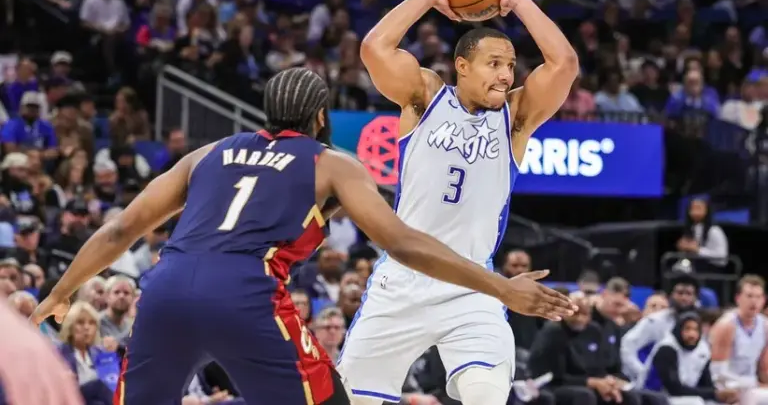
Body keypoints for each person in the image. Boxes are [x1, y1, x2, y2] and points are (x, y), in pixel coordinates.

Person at [32, 68, 575, 405]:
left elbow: (121, 227)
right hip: (244, 295)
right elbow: (404, 244)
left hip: (166, 289)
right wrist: (502, 288)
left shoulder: (207, 155)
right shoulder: (331, 164)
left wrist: (61, 290)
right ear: (320, 116)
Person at [337, 0, 579, 405]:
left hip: (474, 287)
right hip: (401, 282)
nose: (506, 75)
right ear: (462, 66)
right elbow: (374, 48)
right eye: (493, 63)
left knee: (487, 396)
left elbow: (563, 63)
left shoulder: (515, 118)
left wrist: (519, 1)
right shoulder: (424, 95)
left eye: (510, 65)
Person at [620, 273, 700, 386]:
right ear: (670, 295)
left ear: (695, 298)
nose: (684, 298)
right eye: (680, 293)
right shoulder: (655, 321)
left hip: (689, 385)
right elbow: (627, 346)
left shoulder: (699, 324)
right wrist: (643, 373)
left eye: (688, 294)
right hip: (657, 386)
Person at [0, 297, 84, 405]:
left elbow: (71, 382)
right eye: (21, 316)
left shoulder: (60, 349)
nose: (28, 321)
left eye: (32, 315)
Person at [645, 312, 739, 405]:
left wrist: (721, 396)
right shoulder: (667, 349)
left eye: (695, 330)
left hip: (686, 395)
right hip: (656, 396)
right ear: (679, 329)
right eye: (687, 329)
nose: (692, 334)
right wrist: (714, 394)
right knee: (695, 402)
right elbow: (674, 389)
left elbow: (706, 383)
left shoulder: (702, 349)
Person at [708, 275, 768, 405]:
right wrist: (751, 384)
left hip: (751, 385)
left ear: (764, 300)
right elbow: (718, 372)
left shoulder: (765, 326)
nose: (754, 302)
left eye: (758, 297)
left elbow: (764, 369)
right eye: (749, 296)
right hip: (727, 386)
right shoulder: (726, 325)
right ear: (738, 298)